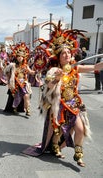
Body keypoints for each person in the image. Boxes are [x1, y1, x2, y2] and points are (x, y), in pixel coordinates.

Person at [22, 21, 103, 167]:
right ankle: (55, 147)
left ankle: (78, 155)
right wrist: (57, 78)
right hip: (59, 105)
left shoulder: (75, 69)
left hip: (74, 103)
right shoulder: (53, 71)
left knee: (80, 128)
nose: (66, 54)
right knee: (58, 130)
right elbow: (48, 86)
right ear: (58, 57)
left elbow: (96, 67)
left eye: (68, 52)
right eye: (63, 53)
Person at [3, 43, 35, 116]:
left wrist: (37, 71)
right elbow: (6, 71)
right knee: (16, 97)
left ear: (24, 57)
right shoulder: (13, 65)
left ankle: (27, 109)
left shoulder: (26, 66)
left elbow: (31, 72)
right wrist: (9, 80)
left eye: (22, 56)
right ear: (16, 57)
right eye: (19, 56)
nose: (20, 58)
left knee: (26, 96)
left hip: (24, 84)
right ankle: (15, 108)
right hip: (16, 84)